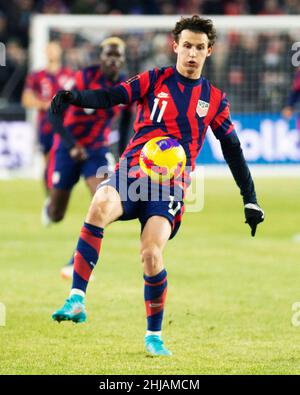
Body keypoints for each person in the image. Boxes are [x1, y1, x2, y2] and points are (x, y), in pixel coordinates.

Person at [49, 16, 264, 356]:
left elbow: (233, 150)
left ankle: (154, 336)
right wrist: (75, 97)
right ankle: (77, 297)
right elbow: (113, 95)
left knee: (151, 253)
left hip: (169, 189)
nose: (192, 53)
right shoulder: (155, 79)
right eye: (187, 46)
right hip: (131, 172)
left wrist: (250, 199)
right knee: (99, 204)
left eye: (199, 48)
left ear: (209, 51)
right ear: (175, 45)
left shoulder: (214, 100)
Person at [44, 37, 132, 278]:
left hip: (97, 150)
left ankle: (77, 260)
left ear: (122, 59)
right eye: (108, 56)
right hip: (68, 147)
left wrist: (124, 155)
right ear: (100, 59)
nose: (113, 61)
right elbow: (54, 113)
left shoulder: (125, 86)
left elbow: (125, 123)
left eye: (117, 56)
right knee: (56, 213)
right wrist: (71, 144)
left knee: (103, 200)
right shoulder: (83, 78)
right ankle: (49, 206)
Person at [21, 41, 75, 192]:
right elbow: (26, 99)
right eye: (49, 50)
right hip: (46, 125)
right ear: (45, 52)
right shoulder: (36, 76)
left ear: (60, 52)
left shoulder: (70, 75)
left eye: (54, 50)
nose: (52, 53)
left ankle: (57, 198)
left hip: (65, 126)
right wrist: (45, 104)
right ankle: (49, 198)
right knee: (48, 162)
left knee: (62, 162)